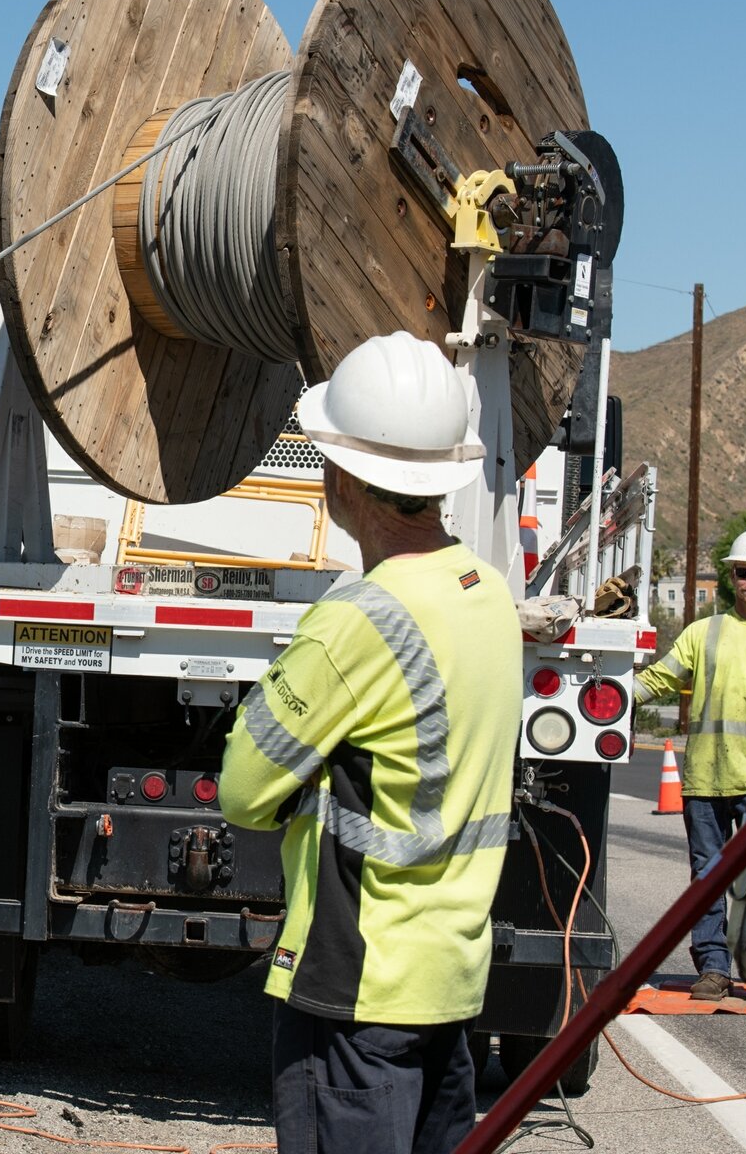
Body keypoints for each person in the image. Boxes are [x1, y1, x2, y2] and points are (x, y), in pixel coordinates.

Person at [218, 332, 519, 1154]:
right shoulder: (485, 594)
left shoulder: (359, 619)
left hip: (358, 988)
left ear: (341, 478)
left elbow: (244, 792)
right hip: (449, 986)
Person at [635, 526, 746, 1004]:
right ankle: (715, 970)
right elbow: (659, 680)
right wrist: (614, 696)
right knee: (708, 878)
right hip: (706, 779)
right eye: (744, 572)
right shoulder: (705, 633)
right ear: (732, 576)